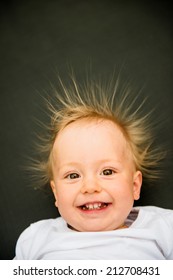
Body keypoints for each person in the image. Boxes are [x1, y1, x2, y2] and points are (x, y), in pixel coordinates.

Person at [14, 75, 173, 259]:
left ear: (135, 186)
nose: (90, 187)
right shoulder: (37, 238)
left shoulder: (163, 227)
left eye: (107, 172)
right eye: (73, 175)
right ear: (56, 193)